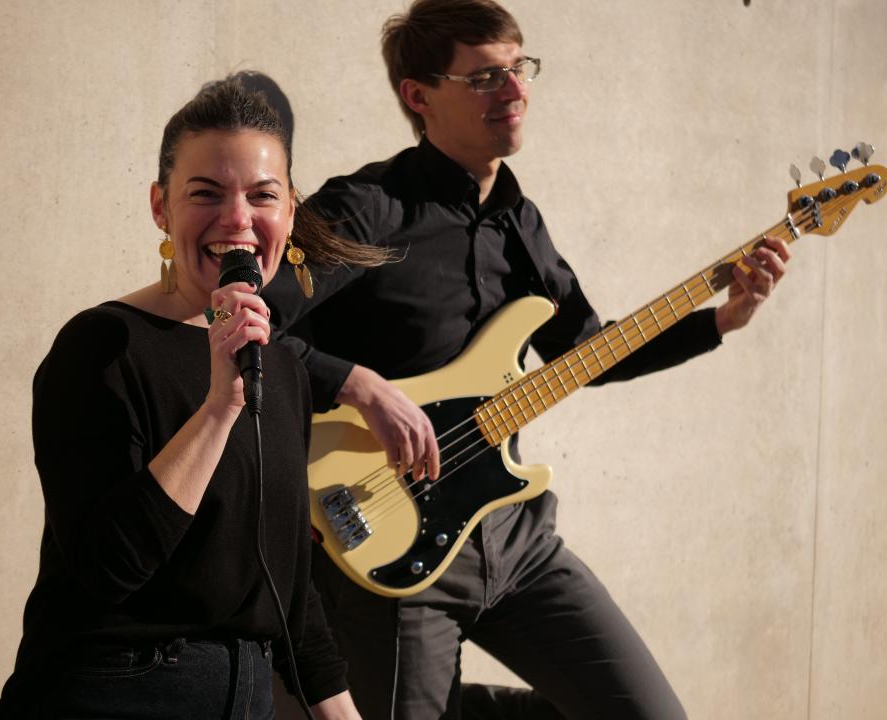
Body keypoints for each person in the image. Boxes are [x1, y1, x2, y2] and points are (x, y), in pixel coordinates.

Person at [263, 1, 791, 718]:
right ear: (419, 96)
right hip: (393, 553)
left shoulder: (521, 222)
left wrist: (723, 319)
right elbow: (246, 329)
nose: (514, 91)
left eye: (519, 69)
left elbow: (587, 353)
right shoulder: (365, 209)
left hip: (515, 538)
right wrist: (358, 385)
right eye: (485, 77)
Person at [0, 79, 380, 720]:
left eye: (263, 195)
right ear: (160, 207)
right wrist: (219, 407)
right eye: (206, 193)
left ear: (289, 213)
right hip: (113, 693)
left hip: (245, 697)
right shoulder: (101, 347)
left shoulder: (281, 369)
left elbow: (289, 586)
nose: (238, 219)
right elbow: (109, 567)